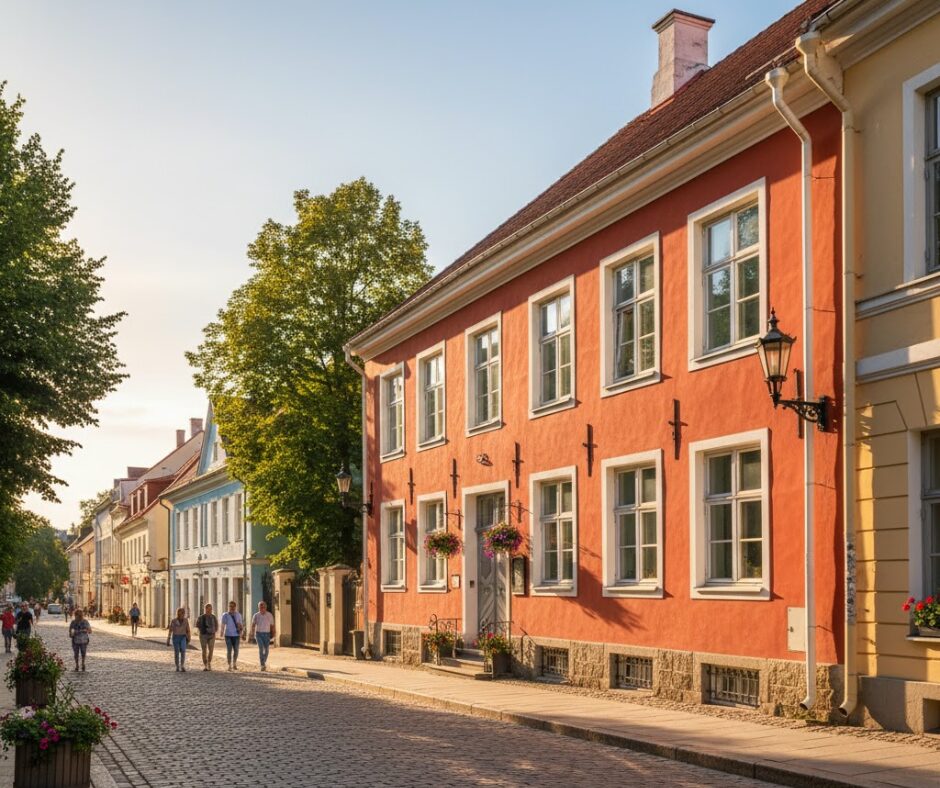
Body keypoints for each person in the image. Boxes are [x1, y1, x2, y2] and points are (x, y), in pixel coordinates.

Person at [249, 600, 276, 672]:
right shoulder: (256, 615)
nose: (262, 607)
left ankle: (263, 661)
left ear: (266, 607)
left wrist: (273, 633)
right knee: (261, 649)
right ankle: (262, 665)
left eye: (263, 606)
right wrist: (251, 633)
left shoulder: (269, 615)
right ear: (258, 607)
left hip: (267, 634)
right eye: (260, 606)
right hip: (258, 634)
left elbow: (272, 625)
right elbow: (253, 625)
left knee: (266, 650)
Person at [220, 601, 243, 671]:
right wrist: (221, 632)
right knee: (229, 650)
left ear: (235, 607)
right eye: (230, 606)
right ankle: (229, 664)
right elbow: (223, 624)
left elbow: (240, 625)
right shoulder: (225, 615)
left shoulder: (238, 615)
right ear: (228, 607)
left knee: (236, 650)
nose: (232, 608)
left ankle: (234, 663)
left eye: (233, 606)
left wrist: (241, 632)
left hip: (236, 635)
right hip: (228, 635)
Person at [166, 608, 191, 672]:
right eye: (181, 612)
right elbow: (170, 630)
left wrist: (189, 637)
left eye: (183, 612)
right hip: (176, 637)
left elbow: (188, 629)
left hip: (183, 637)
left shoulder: (186, 620)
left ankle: (182, 665)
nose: (183, 614)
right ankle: (177, 666)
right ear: (178, 613)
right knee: (176, 652)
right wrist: (168, 638)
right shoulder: (174, 621)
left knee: (183, 650)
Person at [195, 603, 219, 671]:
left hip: (212, 635)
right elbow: (197, 625)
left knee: (211, 650)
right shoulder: (201, 617)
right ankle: (205, 664)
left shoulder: (213, 617)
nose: (209, 610)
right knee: (204, 650)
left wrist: (214, 631)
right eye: (207, 609)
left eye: (210, 609)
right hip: (203, 635)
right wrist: (202, 630)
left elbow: (216, 625)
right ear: (205, 609)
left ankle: (209, 662)